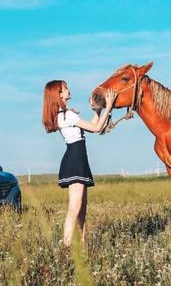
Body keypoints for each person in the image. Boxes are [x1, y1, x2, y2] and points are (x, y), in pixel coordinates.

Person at [42, 80, 116, 246]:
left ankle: (81, 245)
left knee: (82, 207)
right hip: (75, 158)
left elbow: (94, 125)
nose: (68, 89)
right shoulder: (68, 115)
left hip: (78, 157)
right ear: (59, 94)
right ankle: (66, 247)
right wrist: (108, 107)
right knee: (74, 207)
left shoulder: (66, 114)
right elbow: (96, 129)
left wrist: (97, 111)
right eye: (65, 88)